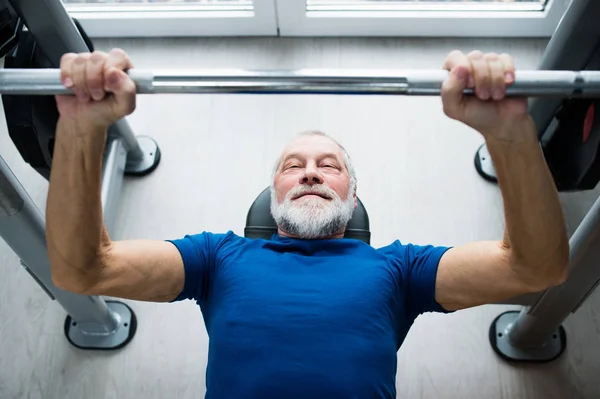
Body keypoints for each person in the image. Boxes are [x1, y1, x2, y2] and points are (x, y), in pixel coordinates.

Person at [47, 48, 570, 399]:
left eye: (330, 165)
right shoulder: (215, 257)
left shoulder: (401, 268)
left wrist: (508, 132)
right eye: (292, 166)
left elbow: (533, 270)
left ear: (352, 192)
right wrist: (80, 127)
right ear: (272, 193)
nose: (311, 173)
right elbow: (85, 271)